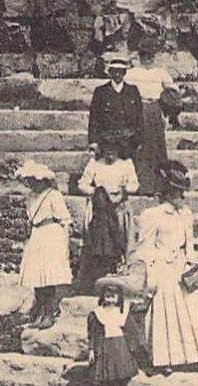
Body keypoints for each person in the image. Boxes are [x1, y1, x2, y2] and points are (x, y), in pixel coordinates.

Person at [134, 162, 198, 369]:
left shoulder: (186, 213)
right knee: (167, 309)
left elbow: (189, 246)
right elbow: (145, 249)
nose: (181, 196)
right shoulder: (152, 215)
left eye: (182, 192)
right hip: (162, 266)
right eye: (177, 192)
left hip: (182, 265)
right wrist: (149, 274)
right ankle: (167, 359)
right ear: (166, 191)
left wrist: (196, 265)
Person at [73, 133, 139, 291]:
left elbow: (134, 184)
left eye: (114, 150)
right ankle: (96, 273)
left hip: (118, 206)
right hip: (100, 206)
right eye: (108, 150)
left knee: (121, 236)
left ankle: (117, 269)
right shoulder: (95, 164)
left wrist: (122, 191)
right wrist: (97, 192)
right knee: (97, 236)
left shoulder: (125, 164)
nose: (111, 153)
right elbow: (82, 184)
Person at [17, 161, 72, 329]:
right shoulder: (31, 197)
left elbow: (65, 220)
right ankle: (39, 314)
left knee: (49, 276)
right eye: (30, 180)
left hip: (51, 234)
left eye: (35, 180)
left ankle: (50, 313)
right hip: (37, 234)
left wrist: (65, 244)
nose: (33, 183)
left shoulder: (53, 195)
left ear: (44, 180)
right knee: (37, 276)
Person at [125, 45, 180, 198]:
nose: (148, 59)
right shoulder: (132, 73)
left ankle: (159, 185)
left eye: (150, 56)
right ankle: (140, 185)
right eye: (145, 56)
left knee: (156, 146)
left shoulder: (160, 72)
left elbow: (173, 90)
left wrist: (168, 104)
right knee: (139, 146)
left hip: (155, 109)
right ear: (140, 57)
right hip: (138, 108)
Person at [86, 278, 139, 386]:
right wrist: (91, 350)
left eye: (113, 297)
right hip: (104, 347)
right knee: (105, 377)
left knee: (122, 377)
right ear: (102, 297)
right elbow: (93, 333)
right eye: (107, 297)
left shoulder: (122, 312)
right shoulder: (97, 314)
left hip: (120, 347)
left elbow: (132, 331)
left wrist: (133, 348)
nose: (110, 300)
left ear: (118, 298)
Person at [88, 51, 144, 162]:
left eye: (120, 72)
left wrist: (140, 140)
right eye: (115, 72)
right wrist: (93, 141)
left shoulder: (132, 91)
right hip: (108, 140)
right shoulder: (101, 91)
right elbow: (94, 117)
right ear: (110, 73)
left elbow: (139, 117)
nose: (117, 75)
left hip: (128, 140)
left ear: (124, 73)